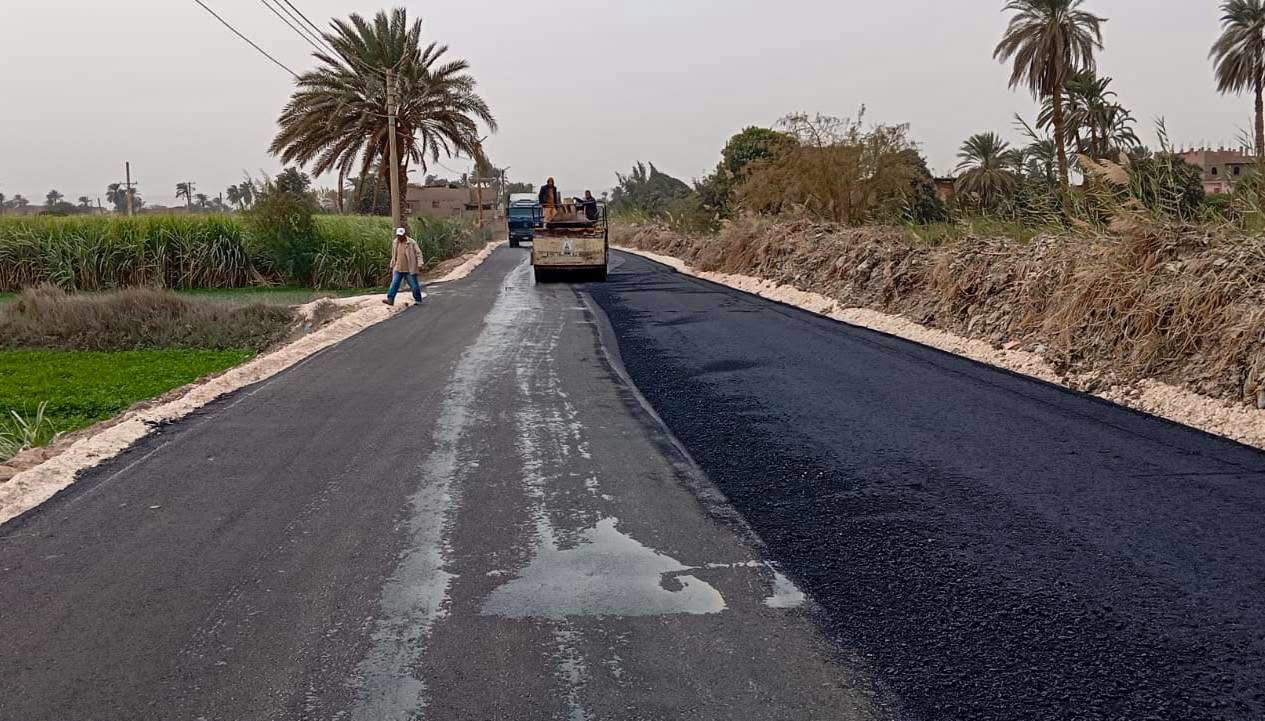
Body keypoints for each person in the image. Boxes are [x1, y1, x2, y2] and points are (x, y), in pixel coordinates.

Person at [383, 226, 426, 306]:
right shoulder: (395, 242)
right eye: (398, 235)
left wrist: (420, 263)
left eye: (401, 235)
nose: (399, 237)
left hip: (409, 268)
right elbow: (394, 254)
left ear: (404, 235)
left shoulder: (411, 242)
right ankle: (390, 300)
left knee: (414, 285)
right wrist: (392, 264)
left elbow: (419, 253)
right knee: (394, 284)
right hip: (398, 268)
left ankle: (418, 299)